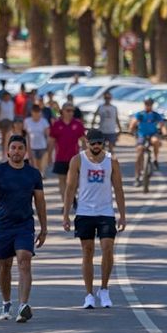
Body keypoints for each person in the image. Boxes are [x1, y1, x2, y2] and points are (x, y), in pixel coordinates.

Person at [0, 135, 48, 323]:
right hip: (3, 225)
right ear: (8, 151)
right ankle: (6, 303)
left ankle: (23, 305)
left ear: (25, 151)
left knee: (24, 260)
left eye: (20, 148)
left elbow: (40, 202)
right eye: (13, 148)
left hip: (24, 225)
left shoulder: (33, 174)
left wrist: (44, 228)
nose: (17, 151)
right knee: (5, 265)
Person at [63, 129, 127, 309]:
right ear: (87, 143)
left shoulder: (112, 161)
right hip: (84, 212)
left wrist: (122, 215)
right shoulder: (78, 160)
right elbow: (70, 188)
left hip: (106, 211)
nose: (97, 146)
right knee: (88, 251)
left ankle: (104, 289)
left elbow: (119, 188)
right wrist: (66, 215)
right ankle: (89, 294)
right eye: (93, 143)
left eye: (100, 143)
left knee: (107, 248)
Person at [48, 102, 87, 205]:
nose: (70, 113)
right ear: (62, 111)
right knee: (62, 181)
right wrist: (49, 155)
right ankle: (66, 203)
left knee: (75, 182)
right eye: (68, 110)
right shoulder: (57, 124)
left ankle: (71, 197)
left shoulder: (77, 124)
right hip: (60, 157)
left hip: (74, 158)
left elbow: (83, 140)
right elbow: (51, 141)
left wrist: (86, 155)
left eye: (72, 111)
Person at [129, 98, 167, 184]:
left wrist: (165, 133)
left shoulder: (155, 115)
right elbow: (133, 123)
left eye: (149, 104)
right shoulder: (140, 114)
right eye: (146, 104)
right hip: (142, 135)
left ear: (152, 105)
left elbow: (162, 125)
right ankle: (137, 176)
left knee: (155, 141)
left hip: (152, 134)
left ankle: (155, 159)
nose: (148, 106)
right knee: (139, 152)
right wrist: (131, 130)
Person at [23, 104, 50, 171]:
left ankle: (40, 175)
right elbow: (25, 134)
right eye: (35, 111)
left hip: (42, 146)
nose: (36, 113)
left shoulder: (44, 121)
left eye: (38, 111)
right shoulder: (27, 121)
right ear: (32, 112)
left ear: (40, 112)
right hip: (31, 147)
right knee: (33, 166)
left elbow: (48, 135)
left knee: (41, 166)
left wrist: (48, 147)